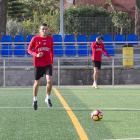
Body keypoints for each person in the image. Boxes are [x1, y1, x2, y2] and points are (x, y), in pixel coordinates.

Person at [28, 23, 54, 110]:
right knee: (37, 83)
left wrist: (52, 63)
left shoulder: (50, 39)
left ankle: (48, 98)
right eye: (43, 29)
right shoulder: (35, 39)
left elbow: (51, 51)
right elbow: (29, 50)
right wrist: (36, 54)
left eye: (46, 29)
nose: (44, 31)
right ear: (39, 30)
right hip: (38, 64)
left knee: (49, 80)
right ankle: (35, 100)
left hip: (47, 64)